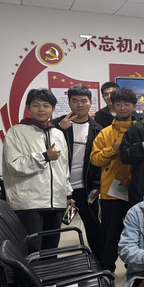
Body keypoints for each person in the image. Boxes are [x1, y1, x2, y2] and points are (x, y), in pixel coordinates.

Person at [2, 88, 73, 252]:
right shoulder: (16, 132)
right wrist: (44, 157)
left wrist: (68, 194)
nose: (41, 109)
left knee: (51, 249)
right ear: (28, 107)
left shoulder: (57, 134)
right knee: (31, 251)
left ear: (53, 108)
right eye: (36, 105)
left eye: (46, 105)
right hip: (29, 204)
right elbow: (14, 165)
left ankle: (51, 271)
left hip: (56, 203)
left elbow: (63, 167)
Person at [90, 87, 137, 272]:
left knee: (135, 231)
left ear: (134, 106)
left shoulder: (141, 130)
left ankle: (134, 266)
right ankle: (107, 268)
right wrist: (112, 150)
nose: (123, 108)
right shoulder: (105, 132)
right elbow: (95, 159)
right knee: (110, 232)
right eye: (118, 104)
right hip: (111, 191)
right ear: (112, 106)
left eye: (127, 104)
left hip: (135, 190)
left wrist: (131, 179)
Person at [52, 84, 103, 257]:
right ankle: (49, 261)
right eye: (75, 101)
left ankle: (99, 260)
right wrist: (59, 129)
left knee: (93, 224)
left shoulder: (97, 130)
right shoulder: (56, 126)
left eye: (83, 101)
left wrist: (97, 185)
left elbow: (99, 162)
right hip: (60, 187)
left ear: (90, 103)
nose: (79, 105)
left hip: (86, 187)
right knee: (56, 225)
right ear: (69, 102)